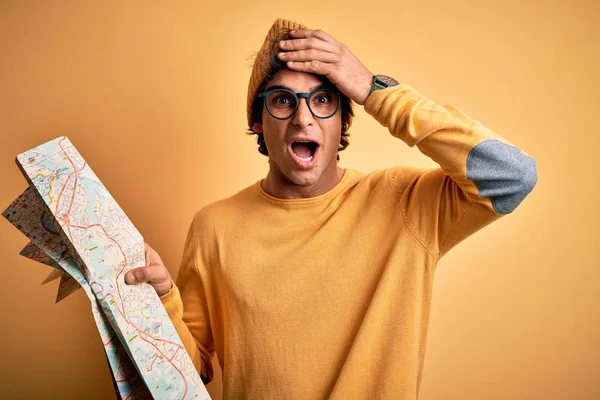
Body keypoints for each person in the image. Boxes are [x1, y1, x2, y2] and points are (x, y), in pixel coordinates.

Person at [125, 18, 537, 399]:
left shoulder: (406, 203)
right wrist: (161, 300)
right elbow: (190, 370)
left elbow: (512, 176)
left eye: (323, 100)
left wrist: (373, 89)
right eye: (283, 101)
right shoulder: (213, 226)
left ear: (344, 120)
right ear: (257, 121)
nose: (303, 119)